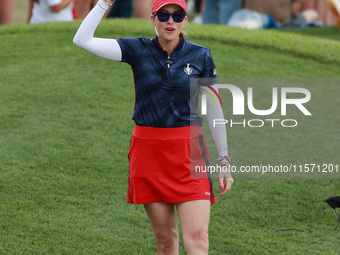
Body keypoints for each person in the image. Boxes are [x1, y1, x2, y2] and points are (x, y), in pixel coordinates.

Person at [73, 0, 233, 254]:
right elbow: (83, 40)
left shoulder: (201, 55)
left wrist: (224, 158)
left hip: (189, 151)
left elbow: (214, 108)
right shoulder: (136, 49)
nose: (171, 21)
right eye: (164, 15)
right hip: (149, 152)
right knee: (166, 241)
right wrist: (104, 3)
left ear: (185, 20)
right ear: (153, 18)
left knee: (199, 238)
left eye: (177, 15)